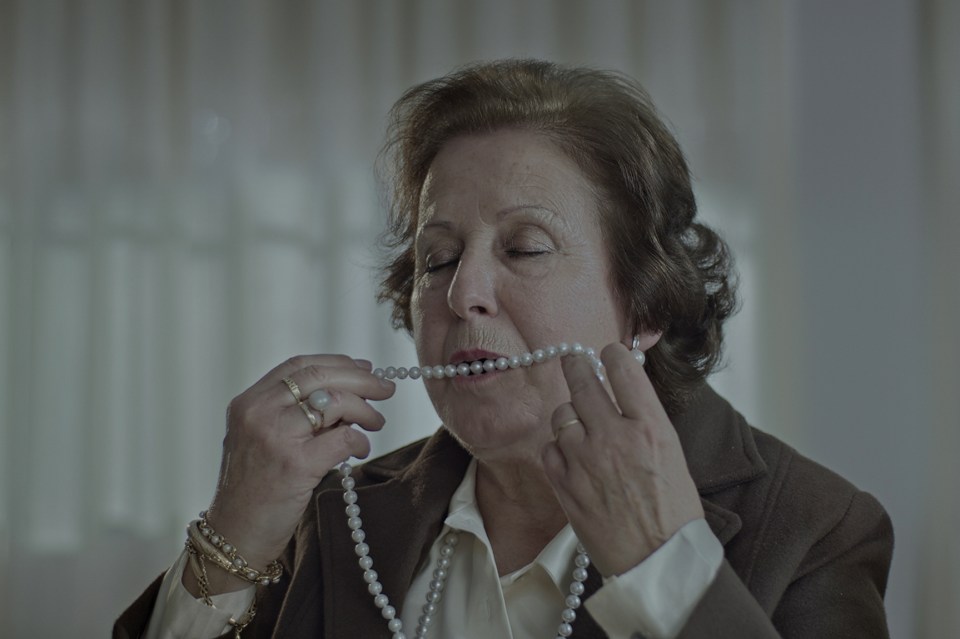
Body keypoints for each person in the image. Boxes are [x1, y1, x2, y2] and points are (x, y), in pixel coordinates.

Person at [115, 59, 893, 639]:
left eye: (524, 248)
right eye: (438, 259)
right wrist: (232, 537)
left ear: (648, 304)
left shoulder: (816, 525)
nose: (463, 294)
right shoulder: (334, 514)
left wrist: (666, 569)